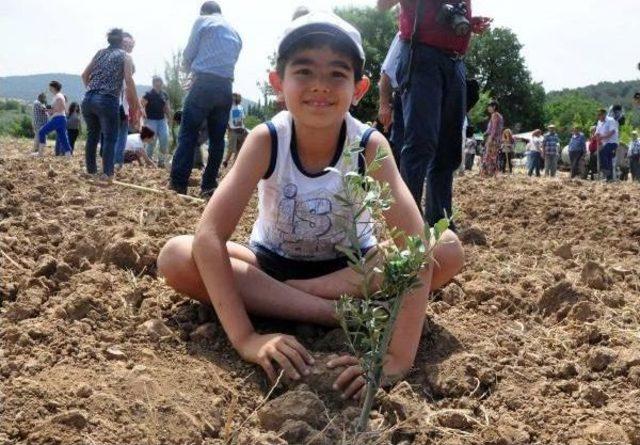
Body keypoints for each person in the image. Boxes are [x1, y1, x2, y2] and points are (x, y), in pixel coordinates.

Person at [157, 11, 464, 397]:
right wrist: (247, 338)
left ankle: (289, 300)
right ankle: (338, 315)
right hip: (271, 263)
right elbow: (210, 235)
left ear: (359, 88)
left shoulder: (369, 146)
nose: (320, 86)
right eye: (303, 71)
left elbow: (415, 246)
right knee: (176, 256)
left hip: (355, 269)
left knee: (447, 247)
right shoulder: (266, 139)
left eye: (337, 73)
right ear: (278, 84)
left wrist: (397, 357)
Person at [377, 0, 491, 227]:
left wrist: (469, 23)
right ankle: (407, 222)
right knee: (421, 141)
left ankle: (439, 220)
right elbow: (381, 5)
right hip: (421, 55)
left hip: (456, 62)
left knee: (448, 148)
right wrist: (384, 102)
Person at [170, 1, 242, 198]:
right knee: (218, 140)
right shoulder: (235, 32)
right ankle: (209, 185)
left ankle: (178, 184)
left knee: (188, 133)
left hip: (203, 84)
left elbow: (188, 54)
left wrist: (188, 71)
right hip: (225, 86)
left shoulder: (203, 21)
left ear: (203, 11)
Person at [81, 28, 140, 181]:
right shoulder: (125, 56)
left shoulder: (100, 53)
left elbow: (84, 75)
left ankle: (91, 171)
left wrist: (93, 90)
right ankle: (107, 173)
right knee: (110, 138)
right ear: (122, 41)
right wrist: (135, 105)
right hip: (107, 100)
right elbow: (128, 80)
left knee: (92, 136)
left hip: (88, 98)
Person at [378, 32, 403, 165]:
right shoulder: (403, 35)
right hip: (403, 99)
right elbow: (386, 72)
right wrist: (384, 105)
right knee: (400, 148)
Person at [115, 32, 137, 170]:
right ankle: (117, 162)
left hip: (121, 105)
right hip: (119, 105)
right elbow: (128, 88)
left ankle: (114, 161)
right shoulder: (125, 58)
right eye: (129, 45)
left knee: (115, 134)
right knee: (120, 134)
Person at [35, 81, 72, 157]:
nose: (49, 89)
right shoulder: (58, 96)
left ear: (53, 87)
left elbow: (59, 107)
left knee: (42, 131)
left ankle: (40, 153)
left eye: (50, 87)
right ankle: (68, 155)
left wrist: (48, 109)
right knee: (63, 137)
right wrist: (46, 107)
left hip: (58, 119)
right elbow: (54, 107)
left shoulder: (58, 96)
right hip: (61, 119)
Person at [141, 76, 171, 168]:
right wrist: (143, 117)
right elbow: (141, 105)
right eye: (156, 82)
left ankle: (161, 161)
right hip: (150, 120)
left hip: (162, 120)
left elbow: (166, 107)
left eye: (160, 82)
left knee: (165, 138)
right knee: (150, 141)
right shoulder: (148, 94)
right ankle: (148, 160)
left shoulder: (164, 94)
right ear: (153, 83)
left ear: (162, 83)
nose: (158, 84)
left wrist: (169, 117)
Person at [222, 93, 247, 169]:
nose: (234, 98)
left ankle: (234, 166)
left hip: (241, 131)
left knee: (238, 150)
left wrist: (244, 128)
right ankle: (225, 162)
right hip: (233, 131)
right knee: (231, 149)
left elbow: (242, 119)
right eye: (233, 97)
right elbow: (226, 119)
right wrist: (227, 127)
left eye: (236, 97)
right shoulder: (228, 108)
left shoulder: (240, 107)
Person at [595, 108, 618, 182]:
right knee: (609, 159)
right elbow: (597, 132)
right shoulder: (599, 122)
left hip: (612, 142)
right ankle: (609, 178)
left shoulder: (610, 120)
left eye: (599, 115)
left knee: (602, 152)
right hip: (605, 143)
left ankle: (606, 170)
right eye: (598, 115)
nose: (598, 117)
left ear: (604, 114)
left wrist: (602, 137)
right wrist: (596, 135)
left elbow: (612, 132)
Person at [481, 100, 503, 177]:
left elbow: (494, 129)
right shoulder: (499, 116)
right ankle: (492, 173)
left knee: (489, 156)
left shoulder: (495, 115)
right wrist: (485, 133)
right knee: (493, 156)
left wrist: (490, 138)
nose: (488, 108)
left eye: (489, 106)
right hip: (497, 139)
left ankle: (488, 173)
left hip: (493, 139)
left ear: (494, 107)